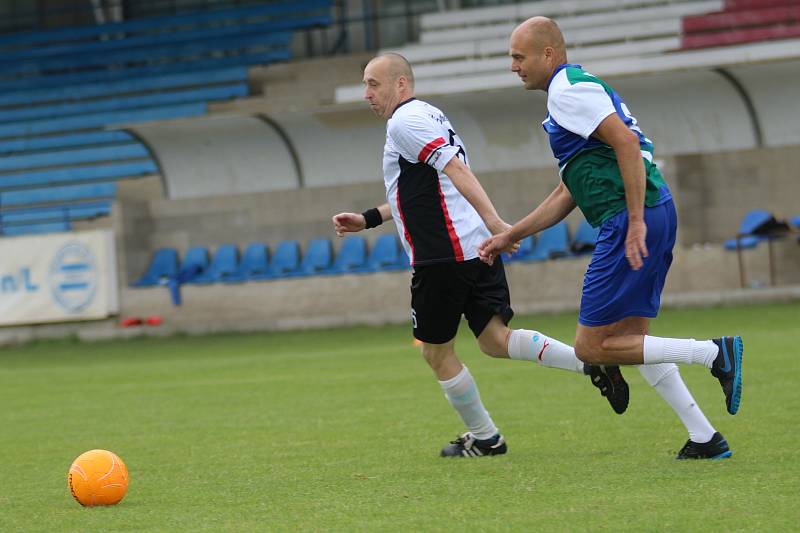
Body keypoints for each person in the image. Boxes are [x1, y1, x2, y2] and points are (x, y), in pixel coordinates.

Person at [332, 52, 629, 458]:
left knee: (437, 352)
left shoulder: (405, 121)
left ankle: (486, 438)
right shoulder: (430, 116)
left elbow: (458, 173)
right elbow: (421, 190)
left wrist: (497, 224)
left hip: (443, 256)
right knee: (494, 340)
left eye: (373, 83)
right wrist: (368, 219)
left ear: (401, 84)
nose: (366, 93)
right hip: (472, 249)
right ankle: (590, 363)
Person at [479, 17, 743, 459]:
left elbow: (624, 144)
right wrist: (512, 233)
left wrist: (635, 220)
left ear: (548, 54)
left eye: (518, 57)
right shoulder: (571, 93)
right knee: (629, 340)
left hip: (630, 219)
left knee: (591, 346)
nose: (513, 66)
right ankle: (705, 437)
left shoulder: (568, 91)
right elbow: (568, 192)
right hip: (647, 214)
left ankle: (713, 354)